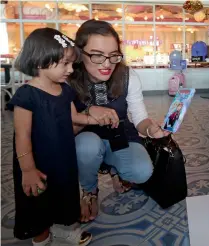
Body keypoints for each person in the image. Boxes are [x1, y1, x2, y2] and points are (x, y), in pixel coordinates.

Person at [6, 28, 103, 246]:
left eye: (72, 64)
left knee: (63, 195)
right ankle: (41, 238)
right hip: (37, 162)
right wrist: (28, 170)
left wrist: (98, 118)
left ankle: (61, 230)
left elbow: (75, 117)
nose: (70, 69)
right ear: (41, 61)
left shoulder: (65, 90)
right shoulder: (27, 95)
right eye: (64, 63)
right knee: (38, 200)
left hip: (63, 158)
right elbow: (22, 135)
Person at [68, 19, 169, 223]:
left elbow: (139, 118)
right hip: (85, 139)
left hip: (120, 135)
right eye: (97, 55)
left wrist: (151, 130)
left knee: (142, 172)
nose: (107, 64)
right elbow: (63, 132)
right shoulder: (68, 78)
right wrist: (88, 113)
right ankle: (89, 191)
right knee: (87, 147)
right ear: (79, 54)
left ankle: (115, 170)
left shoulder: (128, 75)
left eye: (113, 55)